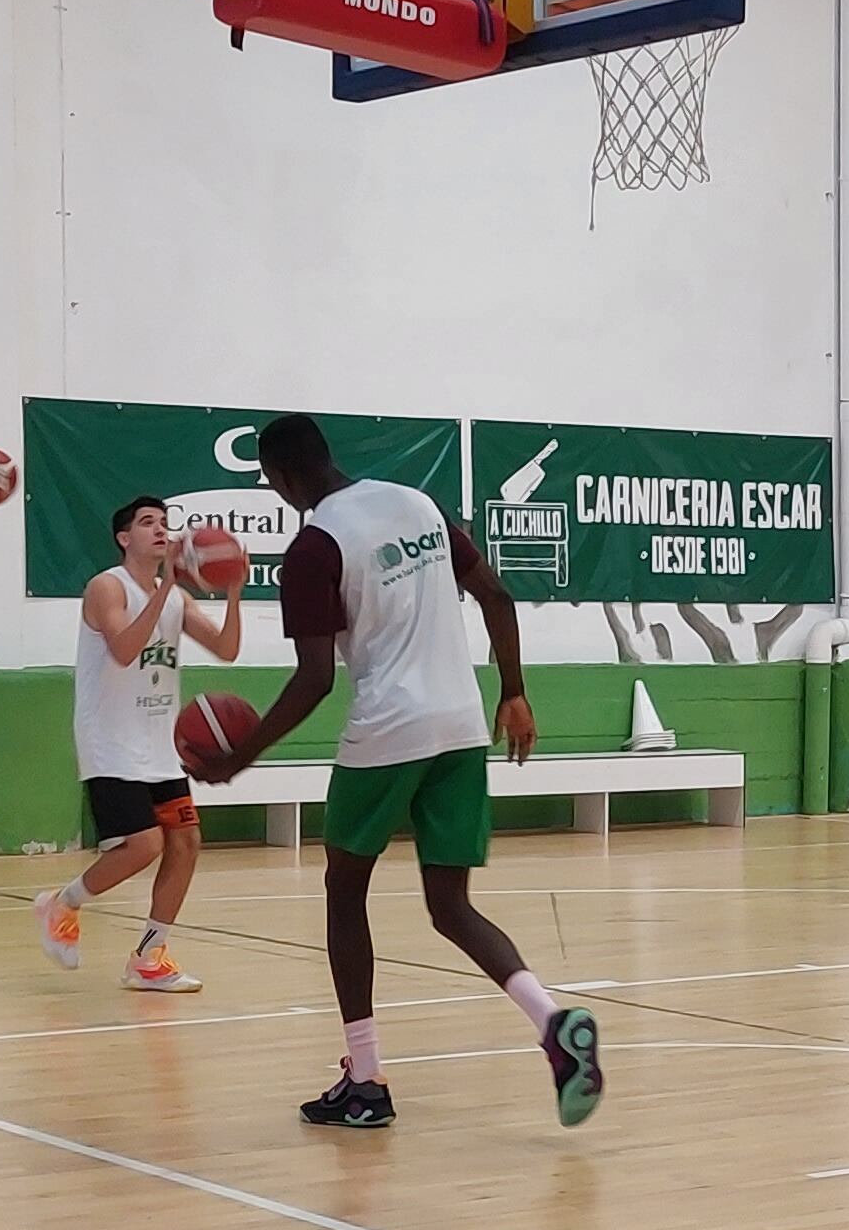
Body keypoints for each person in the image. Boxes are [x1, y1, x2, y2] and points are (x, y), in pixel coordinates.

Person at [217, 414, 597, 1129]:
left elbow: (314, 680)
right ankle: (552, 1024)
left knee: (343, 891)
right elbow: (498, 596)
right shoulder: (416, 503)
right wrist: (512, 690)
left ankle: (366, 1079)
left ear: (277, 478)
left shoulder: (314, 546)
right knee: (450, 905)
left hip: (389, 729)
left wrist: (244, 752)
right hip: (460, 724)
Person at [35, 495, 245, 994]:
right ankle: (62, 902)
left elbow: (227, 650)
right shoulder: (106, 587)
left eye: (166, 524)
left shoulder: (176, 598)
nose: (161, 531)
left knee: (186, 842)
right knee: (143, 845)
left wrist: (233, 591)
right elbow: (126, 651)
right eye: (147, 523)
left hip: (157, 745)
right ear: (123, 538)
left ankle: (150, 956)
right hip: (109, 743)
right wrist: (168, 585)